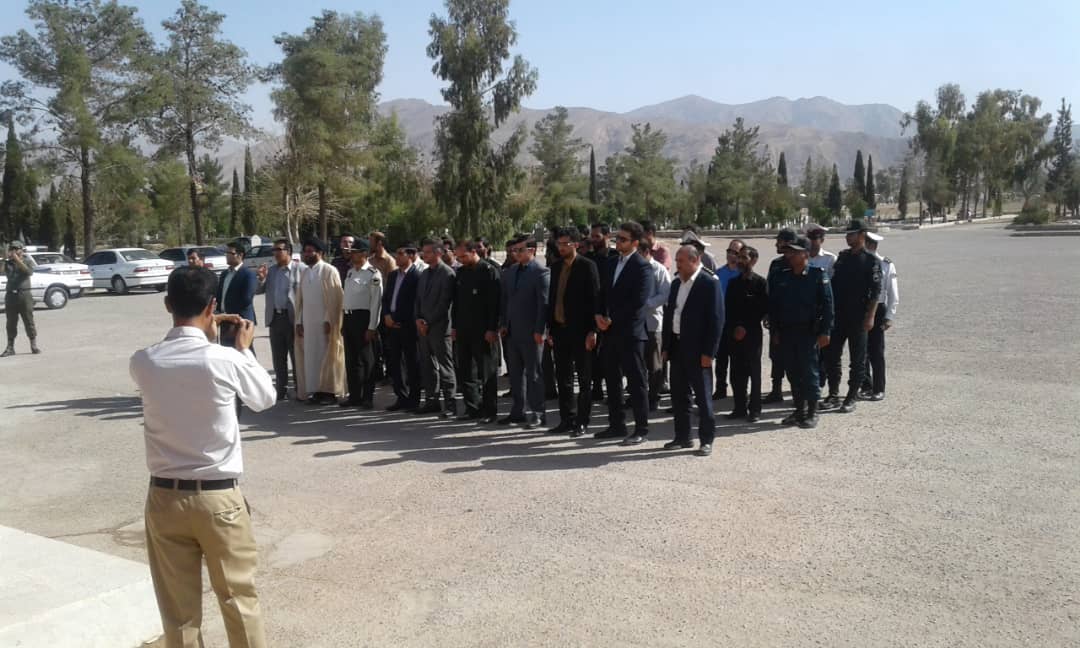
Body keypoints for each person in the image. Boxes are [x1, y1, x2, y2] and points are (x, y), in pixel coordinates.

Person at [130, 266, 274, 648]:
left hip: (164, 497)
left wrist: (205, 330)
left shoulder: (144, 361)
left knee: (178, 614)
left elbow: (176, 365)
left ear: (167, 305)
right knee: (239, 600)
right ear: (213, 306)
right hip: (217, 497)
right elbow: (264, 398)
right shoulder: (224, 359)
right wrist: (242, 349)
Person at [662, 245, 724, 456]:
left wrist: (709, 353)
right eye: (676, 260)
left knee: (703, 398)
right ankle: (683, 437)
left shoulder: (709, 283)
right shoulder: (676, 284)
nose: (677, 265)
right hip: (677, 347)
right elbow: (670, 316)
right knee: (679, 396)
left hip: (699, 351)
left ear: (695, 260)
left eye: (681, 261)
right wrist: (666, 347)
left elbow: (716, 321)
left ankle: (706, 440)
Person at [768, 236, 834, 429]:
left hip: (808, 333)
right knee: (793, 372)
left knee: (809, 372)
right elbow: (775, 306)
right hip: (786, 333)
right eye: (789, 251)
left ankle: (812, 411)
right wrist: (775, 331)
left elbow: (828, 306)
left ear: (805, 254)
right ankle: (799, 410)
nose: (790, 255)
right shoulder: (783, 276)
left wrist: (825, 332)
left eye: (794, 252)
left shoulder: (817, 275)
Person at [595, 221, 652, 445]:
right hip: (609, 333)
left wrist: (612, 319)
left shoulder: (642, 267)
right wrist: (598, 316)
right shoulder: (611, 263)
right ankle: (616, 424)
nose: (617, 242)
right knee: (612, 380)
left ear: (635, 243)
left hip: (631, 334)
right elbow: (602, 293)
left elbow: (638, 303)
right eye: (617, 238)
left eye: (623, 239)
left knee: (636, 383)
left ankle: (641, 428)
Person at [820, 220, 881, 414]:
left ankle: (851, 396)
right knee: (831, 356)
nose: (848, 237)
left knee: (858, 359)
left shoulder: (871, 261)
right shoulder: (843, 257)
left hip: (858, 317)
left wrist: (870, 317)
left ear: (862, 235)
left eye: (852, 234)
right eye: (847, 234)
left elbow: (875, 292)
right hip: (839, 315)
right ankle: (833, 393)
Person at [545, 227, 600, 437]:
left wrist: (593, 330)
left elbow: (595, 299)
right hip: (560, 330)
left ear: (576, 244)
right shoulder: (556, 267)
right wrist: (550, 328)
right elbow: (552, 299)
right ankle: (566, 419)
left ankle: (582, 421)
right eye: (559, 244)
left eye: (565, 244)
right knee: (563, 378)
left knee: (584, 379)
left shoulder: (587, 266)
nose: (561, 247)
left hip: (581, 331)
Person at [498, 236, 551, 429]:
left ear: (532, 250)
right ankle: (518, 411)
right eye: (514, 250)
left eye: (520, 250)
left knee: (534, 373)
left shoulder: (541, 272)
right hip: (512, 331)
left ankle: (538, 413)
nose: (516, 254)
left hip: (531, 332)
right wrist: (503, 323)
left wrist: (540, 330)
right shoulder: (511, 271)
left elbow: (543, 304)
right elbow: (505, 300)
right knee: (515, 374)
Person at [452, 239, 501, 424]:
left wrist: (492, 328)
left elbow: (495, 304)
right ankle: (472, 407)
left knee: (486, 372)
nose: (461, 260)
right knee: (466, 371)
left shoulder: (488, 271)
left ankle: (489, 410)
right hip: (464, 329)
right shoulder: (461, 273)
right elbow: (456, 303)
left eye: (463, 256)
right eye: (458, 257)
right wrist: (454, 326)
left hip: (483, 331)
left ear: (474, 252)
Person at [295, 238, 345, 405]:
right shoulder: (304, 272)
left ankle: (329, 393)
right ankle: (316, 391)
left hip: (325, 324)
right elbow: (300, 301)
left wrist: (328, 320)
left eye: (310, 251)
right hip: (308, 324)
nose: (307, 254)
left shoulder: (329, 271)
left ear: (320, 253)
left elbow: (335, 299)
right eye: (305, 251)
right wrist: (299, 321)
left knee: (327, 356)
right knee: (311, 358)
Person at [725, 246, 769, 422]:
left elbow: (762, 309)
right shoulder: (733, 283)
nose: (740, 261)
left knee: (754, 372)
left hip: (752, 334)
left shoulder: (760, 283)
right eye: (739, 257)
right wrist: (735, 327)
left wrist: (745, 327)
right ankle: (739, 407)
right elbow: (728, 308)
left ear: (754, 260)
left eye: (744, 257)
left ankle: (755, 409)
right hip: (734, 334)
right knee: (736, 373)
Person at [414, 238, 457, 417]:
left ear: (438, 253)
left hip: (439, 328)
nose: (424, 255)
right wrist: (418, 319)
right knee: (428, 366)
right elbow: (418, 299)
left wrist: (428, 322)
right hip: (423, 328)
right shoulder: (424, 273)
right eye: (423, 252)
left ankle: (450, 404)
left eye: (428, 252)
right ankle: (432, 401)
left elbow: (444, 304)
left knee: (445, 367)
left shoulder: (447, 274)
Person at [255, 239, 301, 400]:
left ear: (288, 251)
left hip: (293, 319)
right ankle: (281, 389)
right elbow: (258, 290)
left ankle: (299, 388)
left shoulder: (299, 269)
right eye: (274, 250)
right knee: (278, 357)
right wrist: (261, 278)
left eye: (278, 250)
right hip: (275, 318)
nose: (275, 253)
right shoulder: (272, 271)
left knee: (296, 356)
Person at [340, 240, 382, 409]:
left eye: (355, 252)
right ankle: (354, 395)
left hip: (363, 318)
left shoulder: (373, 274)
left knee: (366, 360)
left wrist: (372, 326)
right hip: (349, 317)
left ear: (364, 254)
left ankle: (367, 397)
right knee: (351, 360)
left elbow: (376, 303)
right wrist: (344, 321)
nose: (352, 254)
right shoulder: (350, 272)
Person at [383, 242, 421, 411]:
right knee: (395, 363)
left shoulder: (417, 276)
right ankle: (401, 397)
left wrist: (401, 319)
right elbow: (386, 298)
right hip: (391, 325)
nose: (396, 257)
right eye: (396, 253)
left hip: (408, 326)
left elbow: (416, 303)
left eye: (400, 253)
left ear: (411, 255)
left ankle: (413, 399)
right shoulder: (392, 275)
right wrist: (387, 315)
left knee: (412, 363)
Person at [860, 232, 898, 401]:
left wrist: (889, 316)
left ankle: (878, 388)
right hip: (860, 308)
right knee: (861, 351)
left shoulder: (886, 264)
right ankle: (865, 385)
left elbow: (893, 293)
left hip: (878, 308)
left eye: (868, 244)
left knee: (876, 351)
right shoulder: (859, 262)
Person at [583, 223, 618, 401]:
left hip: (611, 313)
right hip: (592, 312)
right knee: (592, 354)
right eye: (592, 236)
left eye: (597, 236)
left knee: (612, 356)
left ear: (607, 236)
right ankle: (596, 387)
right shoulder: (588, 259)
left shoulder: (616, 258)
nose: (593, 240)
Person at [762, 228, 797, 404]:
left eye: (780, 241)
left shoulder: (797, 263)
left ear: (789, 243)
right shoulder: (776, 264)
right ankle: (776, 390)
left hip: (794, 319)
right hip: (776, 317)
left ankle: (798, 394)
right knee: (775, 355)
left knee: (794, 357)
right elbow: (769, 290)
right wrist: (767, 313)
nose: (777, 244)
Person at [639, 242, 671, 411]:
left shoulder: (659, 269)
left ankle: (654, 397)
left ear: (646, 251)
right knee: (639, 363)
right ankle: (640, 396)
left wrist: (647, 304)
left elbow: (665, 294)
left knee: (654, 364)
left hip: (653, 321)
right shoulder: (634, 268)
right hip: (636, 323)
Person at [713, 238, 744, 400]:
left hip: (737, 323)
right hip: (721, 322)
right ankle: (720, 388)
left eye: (735, 252)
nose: (731, 255)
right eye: (729, 251)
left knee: (737, 360)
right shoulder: (719, 273)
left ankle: (738, 391)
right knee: (721, 359)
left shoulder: (743, 274)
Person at [215, 242, 258, 349]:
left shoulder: (248, 274)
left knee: (244, 352)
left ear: (240, 255)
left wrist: (230, 315)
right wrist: (220, 314)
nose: (227, 255)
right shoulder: (224, 274)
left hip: (241, 320)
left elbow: (246, 299)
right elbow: (219, 296)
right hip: (225, 321)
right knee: (227, 352)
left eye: (230, 253)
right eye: (226, 253)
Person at [3, 240, 38, 357]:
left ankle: (33, 344)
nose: (14, 251)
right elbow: (2, 271)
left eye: (16, 249)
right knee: (11, 322)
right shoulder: (8, 262)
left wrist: (18, 260)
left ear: (21, 250)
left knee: (28, 320)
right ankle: (10, 347)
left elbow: (28, 272)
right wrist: (4, 259)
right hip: (11, 295)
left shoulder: (27, 260)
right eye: (12, 249)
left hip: (24, 294)